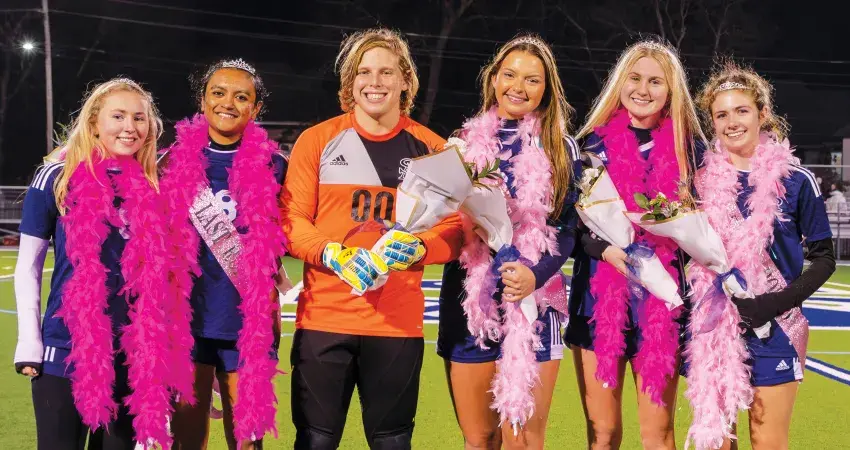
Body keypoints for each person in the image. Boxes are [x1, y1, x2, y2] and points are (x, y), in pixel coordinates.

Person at [282, 28, 463, 449]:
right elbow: (292, 220)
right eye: (364, 72)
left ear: (405, 80)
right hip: (324, 318)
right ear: (350, 82)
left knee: (392, 441)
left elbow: (455, 229)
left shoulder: (432, 149)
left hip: (396, 323)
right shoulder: (317, 140)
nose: (374, 82)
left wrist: (422, 248)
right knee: (315, 441)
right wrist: (332, 253)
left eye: (386, 72)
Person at [436, 34, 579, 450]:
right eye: (510, 75)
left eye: (532, 80)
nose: (519, 87)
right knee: (479, 438)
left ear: (546, 88)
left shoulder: (560, 147)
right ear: (494, 78)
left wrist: (535, 276)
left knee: (524, 441)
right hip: (470, 296)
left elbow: (567, 229)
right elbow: (442, 218)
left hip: (537, 300)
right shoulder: (461, 143)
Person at [13, 78, 173, 449]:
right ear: (94, 122)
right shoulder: (57, 177)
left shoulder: (157, 185)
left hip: (133, 358)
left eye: (139, 118)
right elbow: (29, 267)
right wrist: (29, 341)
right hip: (66, 351)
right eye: (118, 116)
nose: (130, 127)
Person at [565, 39, 707, 449]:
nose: (643, 89)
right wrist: (604, 250)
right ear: (619, 82)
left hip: (661, 304)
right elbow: (566, 226)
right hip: (597, 302)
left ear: (671, 91)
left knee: (658, 435)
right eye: (635, 78)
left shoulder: (691, 151)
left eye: (655, 82)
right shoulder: (587, 147)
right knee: (603, 434)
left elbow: (707, 228)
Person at [686, 62, 835, 450]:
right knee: (717, 442)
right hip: (715, 327)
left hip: (776, 326)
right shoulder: (698, 181)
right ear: (712, 122)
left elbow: (824, 258)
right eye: (721, 115)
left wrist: (773, 303)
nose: (732, 122)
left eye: (742, 110)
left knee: (767, 440)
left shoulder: (796, 180)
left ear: (762, 114)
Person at [161, 58, 288, 450]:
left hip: (247, 322)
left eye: (241, 96)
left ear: (256, 107)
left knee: (247, 441)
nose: (227, 103)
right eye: (218, 93)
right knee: (187, 438)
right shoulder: (168, 162)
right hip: (185, 320)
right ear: (202, 100)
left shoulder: (277, 165)